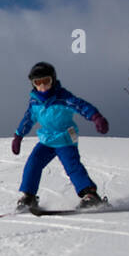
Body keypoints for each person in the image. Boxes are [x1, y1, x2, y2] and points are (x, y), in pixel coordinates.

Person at [11, 61, 108, 210]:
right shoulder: (35, 101)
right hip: (47, 140)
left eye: (46, 81)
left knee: (72, 166)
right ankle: (29, 197)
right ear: (33, 84)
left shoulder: (63, 97)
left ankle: (90, 195)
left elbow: (81, 106)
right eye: (38, 82)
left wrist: (96, 117)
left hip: (65, 139)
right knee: (33, 163)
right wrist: (18, 136)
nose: (42, 87)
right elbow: (28, 119)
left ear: (53, 80)